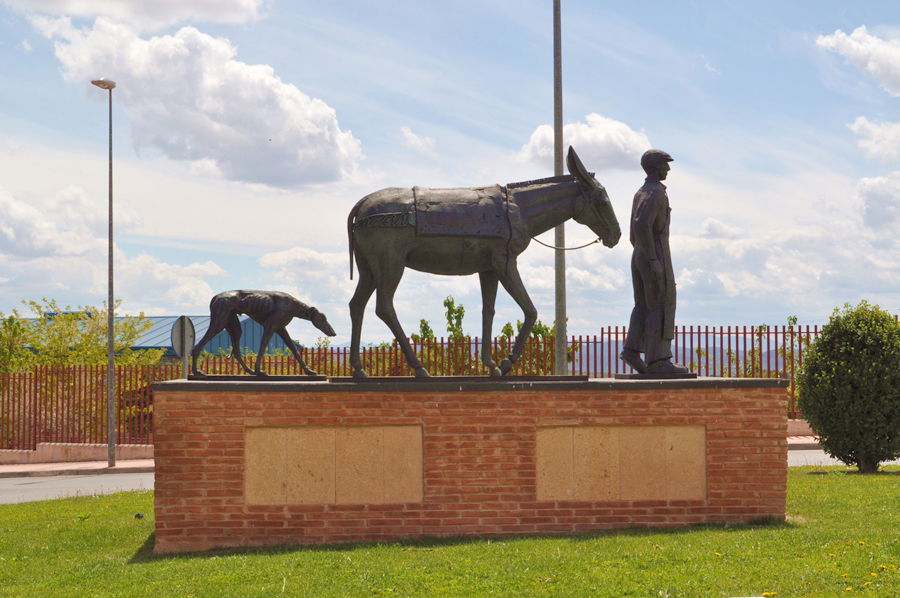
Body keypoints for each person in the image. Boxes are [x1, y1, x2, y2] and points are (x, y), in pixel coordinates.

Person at [620, 149, 689, 375]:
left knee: (643, 304)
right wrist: (652, 258)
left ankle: (632, 351)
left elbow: (633, 232)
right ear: (655, 167)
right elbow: (641, 225)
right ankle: (658, 360)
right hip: (654, 252)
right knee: (661, 302)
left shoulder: (640, 191)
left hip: (640, 251)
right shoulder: (656, 192)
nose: (668, 169)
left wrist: (642, 252)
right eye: (665, 165)